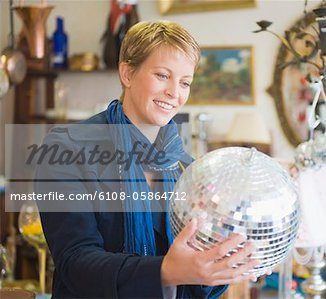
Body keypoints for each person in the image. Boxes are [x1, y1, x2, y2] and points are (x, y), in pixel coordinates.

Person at [35, 21, 260, 298]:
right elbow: (76, 263)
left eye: (185, 82)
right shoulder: (65, 148)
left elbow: (198, 283)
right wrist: (166, 271)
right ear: (127, 73)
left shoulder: (186, 167)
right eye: (162, 75)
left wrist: (220, 265)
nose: (174, 92)